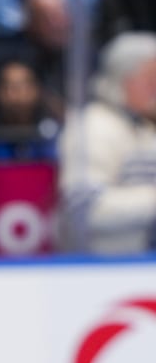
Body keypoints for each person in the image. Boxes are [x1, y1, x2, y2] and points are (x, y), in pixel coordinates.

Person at [58, 31, 156, 252]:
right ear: (125, 78)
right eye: (150, 79)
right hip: (103, 264)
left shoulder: (144, 128)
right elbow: (84, 208)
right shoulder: (92, 126)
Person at [0, 58, 60, 160]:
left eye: (23, 86)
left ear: (37, 90)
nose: (15, 95)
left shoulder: (53, 136)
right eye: (8, 87)